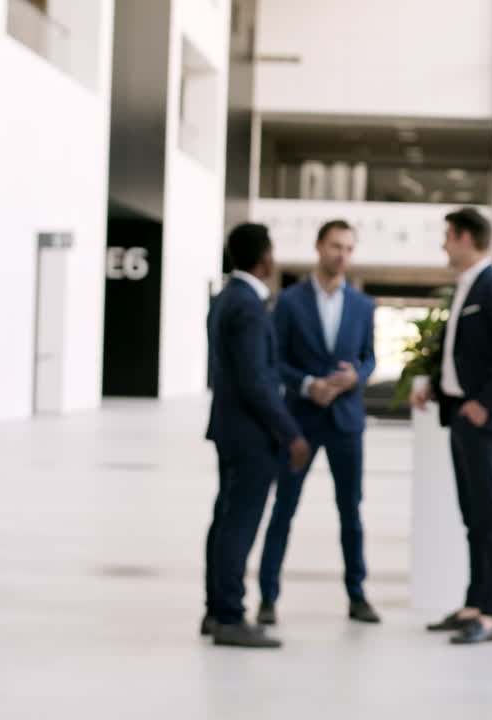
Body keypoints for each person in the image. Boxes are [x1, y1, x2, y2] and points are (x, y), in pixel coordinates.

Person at [410, 208, 492, 645]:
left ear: (466, 237)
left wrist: (483, 403)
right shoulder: (468, 286)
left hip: (482, 418)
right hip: (460, 414)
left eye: (447, 236)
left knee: (489, 517)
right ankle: (474, 604)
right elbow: (460, 354)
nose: (444, 245)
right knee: (474, 516)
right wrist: (434, 389)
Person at [255, 220, 380, 626]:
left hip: (346, 422)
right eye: (334, 246)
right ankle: (268, 597)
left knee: (351, 512)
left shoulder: (363, 305)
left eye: (348, 248)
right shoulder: (289, 302)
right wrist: (309, 385)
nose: (341, 254)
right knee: (283, 509)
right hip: (301, 421)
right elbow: (275, 362)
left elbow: (370, 358)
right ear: (318, 247)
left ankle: (357, 595)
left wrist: (354, 378)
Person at [202, 223, 310, 648]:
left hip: (229, 429)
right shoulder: (248, 305)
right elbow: (256, 381)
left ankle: (215, 609)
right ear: (263, 257)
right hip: (250, 434)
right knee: (239, 524)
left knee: (225, 520)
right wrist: (291, 434)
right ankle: (230, 615)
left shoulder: (227, 297)